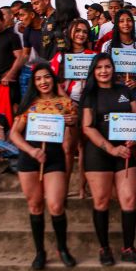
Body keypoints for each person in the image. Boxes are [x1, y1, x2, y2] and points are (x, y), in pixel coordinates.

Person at [79, 53, 136, 266]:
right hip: (99, 153)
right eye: (99, 67)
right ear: (94, 70)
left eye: (107, 66)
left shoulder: (124, 90)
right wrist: (110, 148)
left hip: (125, 153)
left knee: (129, 199)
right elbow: (87, 127)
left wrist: (134, 138)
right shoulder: (89, 94)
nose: (104, 71)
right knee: (101, 201)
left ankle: (128, 247)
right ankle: (104, 248)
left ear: (113, 68)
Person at [8, 63, 77, 270]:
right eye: (38, 79)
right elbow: (14, 134)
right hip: (30, 158)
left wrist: (72, 124)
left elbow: (72, 142)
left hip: (54, 157)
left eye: (46, 77)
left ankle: (62, 248)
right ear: (33, 82)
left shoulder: (66, 103)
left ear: (53, 79)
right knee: (35, 205)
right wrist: (31, 151)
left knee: (56, 205)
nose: (43, 82)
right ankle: (40, 251)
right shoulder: (29, 104)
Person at [50, 19, 95, 197]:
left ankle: (82, 187)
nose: (81, 34)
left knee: (84, 147)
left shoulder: (93, 55)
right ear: (70, 32)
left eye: (84, 31)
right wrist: (68, 105)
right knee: (68, 147)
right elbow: (54, 82)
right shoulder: (60, 56)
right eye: (77, 31)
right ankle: (66, 187)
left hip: (87, 105)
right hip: (67, 106)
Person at [18, 2, 43, 96]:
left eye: (22, 15)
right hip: (39, 70)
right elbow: (25, 55)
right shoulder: (27, 31)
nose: (20, 19)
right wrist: (12, 71)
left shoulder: (48, 27)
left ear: (32, 15)